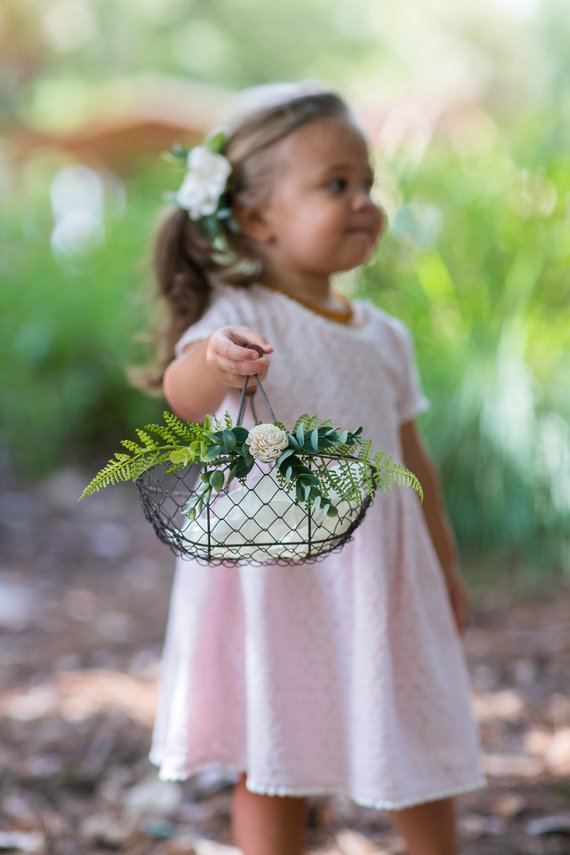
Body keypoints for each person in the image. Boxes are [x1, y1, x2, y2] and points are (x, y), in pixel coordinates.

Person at [144, 82, 485, 855]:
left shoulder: (384, 335)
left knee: (417, 731)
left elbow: (412, 459)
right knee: (276, 751)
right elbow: (183, 395)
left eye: (368, 182)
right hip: (280, 577)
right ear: (260, 215)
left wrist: (445, 564)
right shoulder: (242, 317)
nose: (363, 200)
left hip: (380, 574)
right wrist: (214, 359)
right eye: (337, 184)